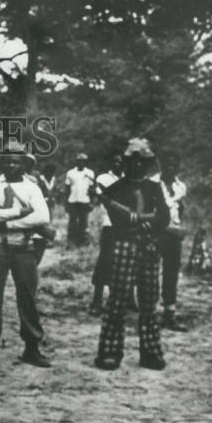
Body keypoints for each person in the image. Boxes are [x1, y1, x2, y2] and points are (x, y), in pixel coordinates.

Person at [0, 144, 52, 369]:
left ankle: (32, 348)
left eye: (16, 161)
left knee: (28, 297)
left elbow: (42, 217)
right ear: (1, 162)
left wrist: (6, 219)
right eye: (7, 161)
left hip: (24, 247)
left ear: (24, 163)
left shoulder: (32, 187)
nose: (11, 165)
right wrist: (16, 213)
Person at [94, 139, 170, 371]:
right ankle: (109, 352)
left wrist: (147, 223)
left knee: (149, 301)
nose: (136, 166)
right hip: (123, 245)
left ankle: (150, 353)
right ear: (125, 163)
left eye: (141, 162)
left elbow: (164, 217)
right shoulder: (115, 189)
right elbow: (119, 220)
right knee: (117, 300)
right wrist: (142, 222)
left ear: (147, 164)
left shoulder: (154, 188)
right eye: (131, 161)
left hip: (148, 247)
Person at [156, 154, 189, 331]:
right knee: (151, 272)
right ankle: (150, 312)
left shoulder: (180, 186)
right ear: (161, 165)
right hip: (156, 232)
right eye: (167, 164)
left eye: (174, 165)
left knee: (171, 274)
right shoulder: (153, 184)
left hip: (173, 234)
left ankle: (169, 314)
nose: (171, 168)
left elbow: (180, 208)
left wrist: (177, 227)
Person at [89, 155, 124, 315]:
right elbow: (104, 199)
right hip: (110, 224)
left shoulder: (128, 178)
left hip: (127, 226)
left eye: (121, 162)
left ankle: (125, 301)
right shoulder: (103, 178)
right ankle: (97, 301)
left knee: (125, 262)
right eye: (115, 161)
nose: (118, 164)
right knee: (105, 262)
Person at [64, 152, 95, 247]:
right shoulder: (70, 173)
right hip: (73, 200)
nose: (81, 163)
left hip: (85, 200)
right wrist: (66, 202)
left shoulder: (90, 173)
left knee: (83, 222)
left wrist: (92, 202)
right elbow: (67, 188)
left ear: (86, 163)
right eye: (79, 161)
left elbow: (92, 189)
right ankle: (71, 242)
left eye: (83, 161)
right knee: (72, 222)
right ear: (76, 162)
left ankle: (83, 242)